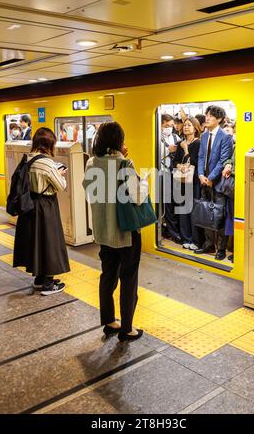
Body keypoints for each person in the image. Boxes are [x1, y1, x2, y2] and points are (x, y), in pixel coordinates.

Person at [83, 122, 148, 342]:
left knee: (107, 275)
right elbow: (138, 196)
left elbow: (90, 192)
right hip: (125, 233)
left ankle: (110, 321)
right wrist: (144, 182)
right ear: (119, 141)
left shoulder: (91, 162)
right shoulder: (125, 163)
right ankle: (127, 328)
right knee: (128, 278)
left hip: (103, 231)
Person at [13, 127, 70, 295]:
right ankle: (48, 284)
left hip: (30, 205)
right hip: (45, 207)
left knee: (35, 242)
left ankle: (38, 279)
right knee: (49, 242)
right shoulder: (46, 163)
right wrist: (60, 173)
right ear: (49, 144)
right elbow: (60, 186)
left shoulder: (27, 158)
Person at [195, 105, 233, 260]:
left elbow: (223, 160)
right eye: (206, 115)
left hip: (218, 183)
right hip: (204, 181)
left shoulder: (226, 137)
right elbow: (201, 157)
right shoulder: (204, 136)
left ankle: (221, 248)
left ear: (219, 119)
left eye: (210, 116)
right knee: (206, 213)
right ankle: (209, 244)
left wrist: (210, 178)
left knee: (221, 215)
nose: (207, 118)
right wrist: (200, 175)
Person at [173, 116, 203, 250]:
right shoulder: (180, 142)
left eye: (189, 125)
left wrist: (186, 150)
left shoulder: (198, 143)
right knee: (182, 209)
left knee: (193, 210)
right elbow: (175, 161)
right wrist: (179, 166)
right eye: (185, 125)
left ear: (195, 128)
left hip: (194, 181)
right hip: (182, 180)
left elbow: (196, 162)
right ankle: (186, 238)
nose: (186, 127)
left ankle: (196, 240)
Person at [161, 114, 181, 243]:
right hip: (162, 173)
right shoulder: (156, 137)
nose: (169, 128)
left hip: (175, 173)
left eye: (171, 125)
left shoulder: (175, 137)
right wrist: (168, 150)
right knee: (167, 205)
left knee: (175, 203)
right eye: (166, 126)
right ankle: (173, 232)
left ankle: (173, 229)